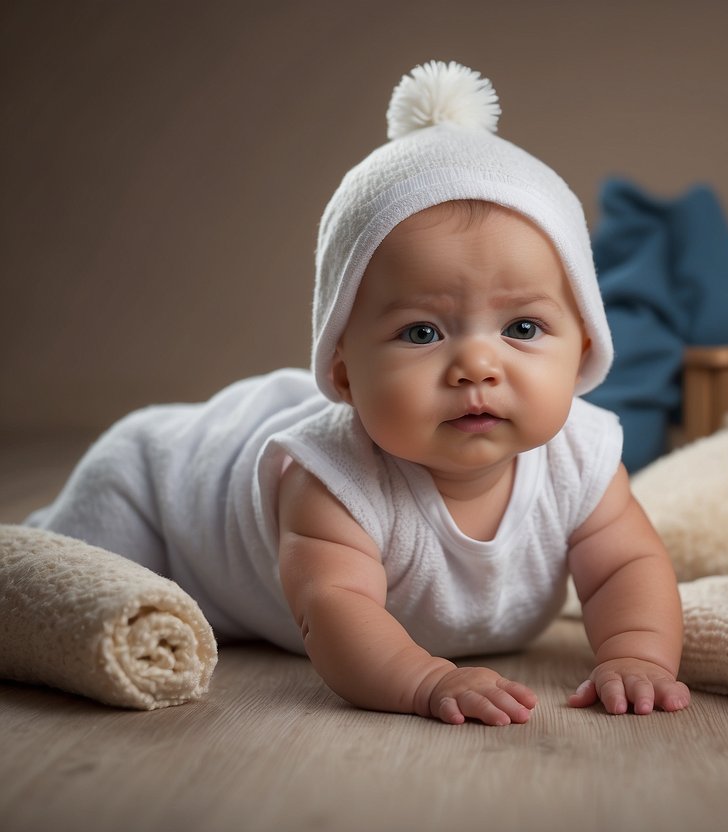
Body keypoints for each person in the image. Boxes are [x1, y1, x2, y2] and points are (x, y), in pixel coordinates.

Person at [26, 61, 690, 725]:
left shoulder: (583, 458)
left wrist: (637, 656)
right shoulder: (333, 481)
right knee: (65, 585)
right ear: (343, 372)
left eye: (522, 327)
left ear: (581, 352)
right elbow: (335, 609)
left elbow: (625, 567)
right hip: (157, 491)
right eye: (422, 331)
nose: (476, 366)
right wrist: (424, 680)